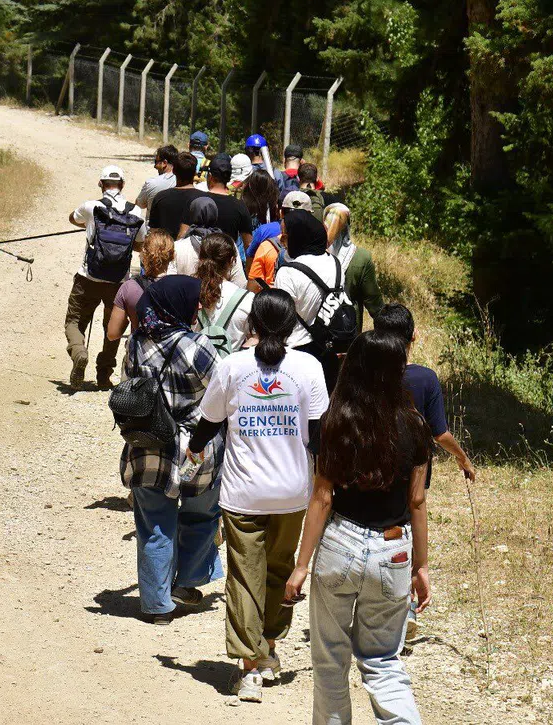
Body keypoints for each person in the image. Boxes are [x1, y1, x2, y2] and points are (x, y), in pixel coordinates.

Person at [283, 330, 432, 725]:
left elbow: (322, 498)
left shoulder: (338, 420)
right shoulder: (415, 426)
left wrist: (301, 565)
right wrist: (421, 566)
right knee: (383, 661)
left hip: (340, 545)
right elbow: (416, 500)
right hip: (394, 548)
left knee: (330, 661)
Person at [187, 289, 328, 701]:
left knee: (244, 578)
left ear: (252, 323)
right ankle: (269, 647)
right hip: (292, 493)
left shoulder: (232, 367)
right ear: (291, 325)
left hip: (243, 493)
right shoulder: (308, 367)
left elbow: (209, 423)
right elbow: (319, 436)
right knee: (280, 573)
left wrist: (194, 449)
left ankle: (250, 669)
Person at [121, 275, 224, 624]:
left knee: (153, 524)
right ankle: (189, 581)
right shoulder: (198, 346)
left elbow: (128, 384)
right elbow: (223, 392)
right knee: (202, 514)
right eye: (193, 301)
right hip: (195, 450)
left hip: (148, 446)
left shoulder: (135, 343)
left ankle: (156, 605)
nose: (197, 306)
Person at [373, 303, 476, 483]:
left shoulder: (363, 375)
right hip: (412, 472)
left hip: (371, 468)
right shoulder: (425, 378)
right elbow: (440, 434)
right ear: (414, 335)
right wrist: (462, 457)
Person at [66, 166, 148, 389]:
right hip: (118, 282)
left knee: (74, 321)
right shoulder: (135, 213)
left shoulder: (92, 207)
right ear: (122, 185)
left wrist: (90, 226)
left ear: (101, 184)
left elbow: (72, 218)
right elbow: (140, 245)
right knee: (112, 329)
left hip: (88, 277)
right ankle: (103, 376)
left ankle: (79, 352)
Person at [274, 209, 351, 389]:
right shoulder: (335, 262)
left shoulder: (288, 273)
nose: (280, 239)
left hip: (297, 352)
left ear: (298, 237)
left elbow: (281, 319)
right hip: (329, 350)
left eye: (285, 235)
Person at [107, 230, 175, 342]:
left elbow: (112, 334)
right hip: (172, 355)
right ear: (172, 256)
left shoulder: (129, 288)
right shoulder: (181, 287)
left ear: (143, 254)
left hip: (140, 355)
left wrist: (128, 319)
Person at [323, 203, 382, 331]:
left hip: (316, 334)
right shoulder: (361, 257)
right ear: (348, 226)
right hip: (348, 333)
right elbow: (375, 304)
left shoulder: (313, 254)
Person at [194, 233, 252, 355]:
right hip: (232, 370)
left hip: (197, 368)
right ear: (232, 261)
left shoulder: (188, 293)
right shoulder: (247, 299)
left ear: (200, 258)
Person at [171, 198, 247, 288]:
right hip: (220, 299)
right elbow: (239, 282)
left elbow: (170, 281)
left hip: (186, 300)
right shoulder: (227, 244)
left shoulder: (177, 247)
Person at [198, 154, 254, 254]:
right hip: (227, 263)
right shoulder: (239, 206)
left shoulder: (198, 201)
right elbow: (249, 244)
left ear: (210, 177)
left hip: (200, 261)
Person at [148, 151, 210, 239]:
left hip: (164, 250)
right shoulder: (204, 199)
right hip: (192, 251)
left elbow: (153, 233)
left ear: (174, 171)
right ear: (195, 172)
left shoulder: (160, 197)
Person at [135, 145, 178, 214]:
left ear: (164, 163)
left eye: (156, 162)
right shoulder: (183, 182)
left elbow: (139, 204)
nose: (155, 166)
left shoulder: (152, 183)